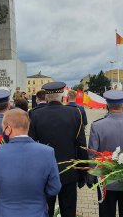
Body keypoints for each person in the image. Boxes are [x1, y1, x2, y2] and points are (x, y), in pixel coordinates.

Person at [0, 109, 61, 217]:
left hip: (5, 212)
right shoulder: (48, 152)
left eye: (3, 128)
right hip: (37, 212)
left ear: (8, 129)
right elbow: (55, 187)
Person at [29, 82, 88, 217]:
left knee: (45, 211)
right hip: (69, 171)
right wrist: (83, 171)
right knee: (68, 211)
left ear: (47, 97)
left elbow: (31, 146)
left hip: (44, 173)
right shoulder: (75, 113)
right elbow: (81, 144)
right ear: (63, 96)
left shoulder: (34, 114)